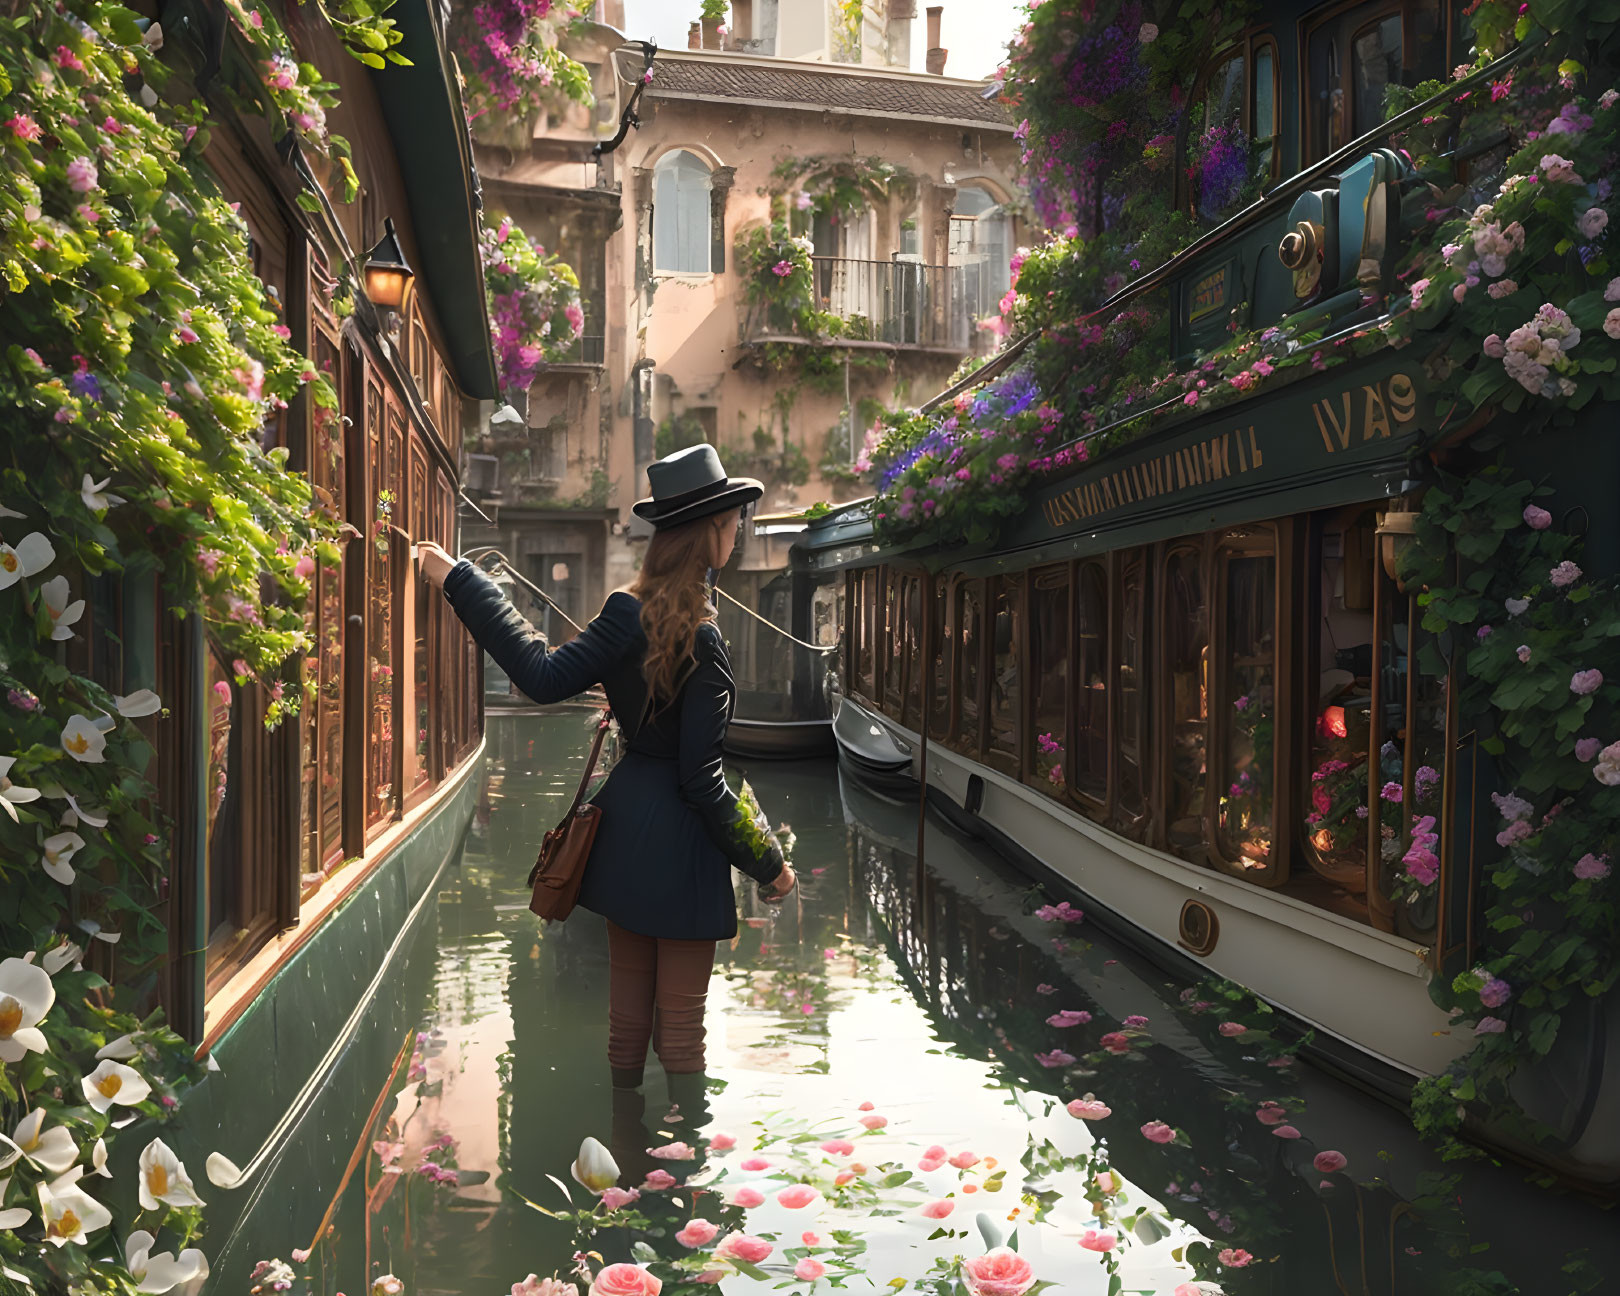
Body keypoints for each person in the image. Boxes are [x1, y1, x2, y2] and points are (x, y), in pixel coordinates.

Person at [417, 444, 797, 1111]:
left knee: (626, 1028)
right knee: (679, 1033)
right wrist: (771, 865)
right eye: (734, 522)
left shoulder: (625, 613)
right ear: (710, 530)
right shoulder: (706, 641)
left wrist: (461, 581)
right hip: (681, 847)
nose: (738, 533)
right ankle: (683, 1185)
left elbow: (537, 676)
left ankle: (625, 1154)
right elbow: (703, 780)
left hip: (623, 830)